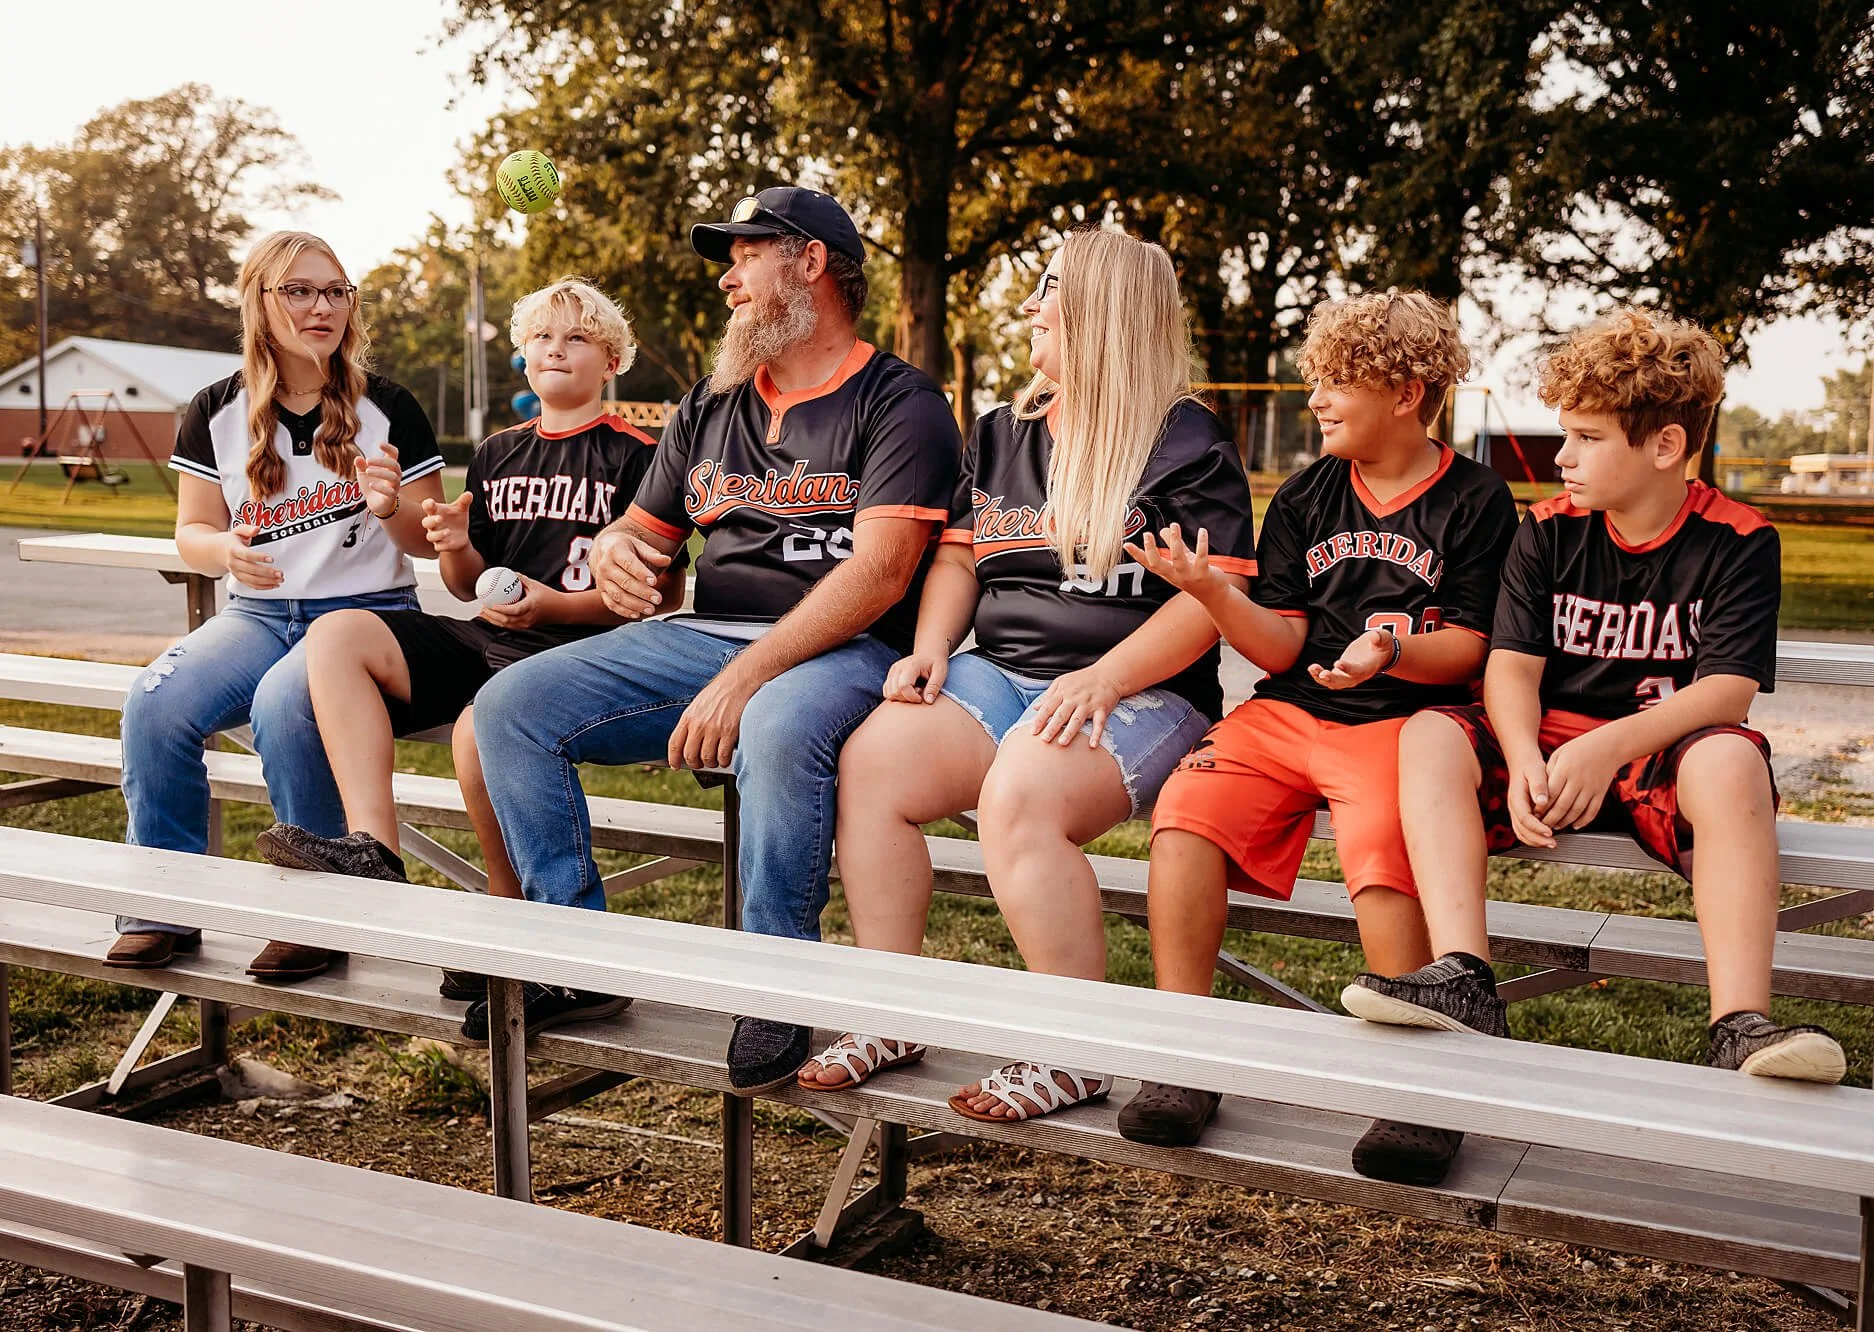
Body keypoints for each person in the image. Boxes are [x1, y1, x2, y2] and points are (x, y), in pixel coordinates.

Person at [464, 186, 960, 1075]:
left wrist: (743, 679)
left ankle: (774, 982)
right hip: (706, 635)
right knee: (509, 705)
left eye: (746, 253)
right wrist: (618, 553)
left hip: (849, 649)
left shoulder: (902, 400)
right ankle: (575, 955)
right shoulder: (713, 400)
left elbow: (883, 572)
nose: (727, 277)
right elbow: (644, 530)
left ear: (809, 263)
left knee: (771, 723)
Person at [795, 231, 1257, 1123]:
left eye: (1049, 289)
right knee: (872, 763)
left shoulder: (1184, 438)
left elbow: (1212, 600)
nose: (1030, 305)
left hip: (1143, 692)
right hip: (999, 672)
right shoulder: (1006, 429)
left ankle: (1072, 1049)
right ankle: (890, 1009)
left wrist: (1110, 677)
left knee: (1020, 797)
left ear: (1102, 311)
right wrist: (931, 646)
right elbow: (963, 560)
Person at [1344, 308, 1846, 1124]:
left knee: (1731, 757)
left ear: (1665, 446)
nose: (1563, 456)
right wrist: (1521, 754)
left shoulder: (1739, 538)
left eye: (1586, 437)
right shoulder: (1545, 531)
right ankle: (1466, 975)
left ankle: (1739, 1022)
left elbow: (1726, 694)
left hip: (1660, 753)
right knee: (1432, 732)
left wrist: (1607, 749)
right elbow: (1509, 667)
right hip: (1546, 755)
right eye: (1563, 433)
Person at [1117, 291, 1519, 1180]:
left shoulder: (1477, 500)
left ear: (1408, 392)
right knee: (1186, 810)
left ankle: (1419, 1088)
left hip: (1404, 721)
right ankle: (1185, 1054)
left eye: (1339, 382)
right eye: (1318, 382)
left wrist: (1392, 648)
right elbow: (1284, 639)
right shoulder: (1306, 492)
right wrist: (1215, 594)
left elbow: (1473, 645)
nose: (1318, 400)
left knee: (1381, 841)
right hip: (1291, 710)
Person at [253, 278, 679, 989]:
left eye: (577, 338)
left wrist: (553, 607)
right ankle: (372, 849)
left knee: (478, 729)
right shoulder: (497, 451)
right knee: (338, 636)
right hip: (490, 636)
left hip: (577, 653)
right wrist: (453, 542)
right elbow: (464, 583)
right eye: (542, 337)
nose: (556, 349)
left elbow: (661, 594)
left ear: (612, 362)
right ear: (522, 357)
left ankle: (507, 907)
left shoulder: (638, 455)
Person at [108, 230, 445, 970]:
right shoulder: (215, 408)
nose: (321, 306)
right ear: (260, 302)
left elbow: (430, 545)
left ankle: (318, 914)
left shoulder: (388, 406)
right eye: (298, 290)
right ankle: (163, 905)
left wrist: (391, 508)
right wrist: (222, 550)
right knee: (153, 704)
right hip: (258, 619)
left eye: (335, 291)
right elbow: (191, 532)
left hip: (366, 618)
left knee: (282, 707)